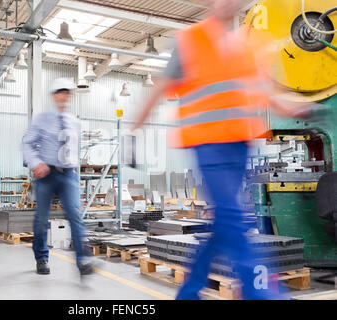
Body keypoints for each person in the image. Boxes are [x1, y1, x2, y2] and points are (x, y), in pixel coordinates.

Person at [132, 0, 310, 300]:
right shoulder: (189, 40)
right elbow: (160, 87)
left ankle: (188, 292)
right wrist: (134, 128)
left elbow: (265, 91)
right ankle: (262, 294)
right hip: (207, 145)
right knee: (232, 216)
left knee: (223, 225)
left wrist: (300, 108)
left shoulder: (249, 45)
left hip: (239, 147)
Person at [22, 78, 94, 276]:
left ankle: (82, 261)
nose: (64, 96)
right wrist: (36, 163)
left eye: (67, 93)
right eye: (61, 92)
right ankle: (42, 258)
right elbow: (27, 143)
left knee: (75, 216)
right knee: (42, 219)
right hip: (46, 175)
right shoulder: (41, 119)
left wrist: (76, 172)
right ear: (54, 95)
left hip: (68, 174)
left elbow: (75, 150)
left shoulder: (75, 122)